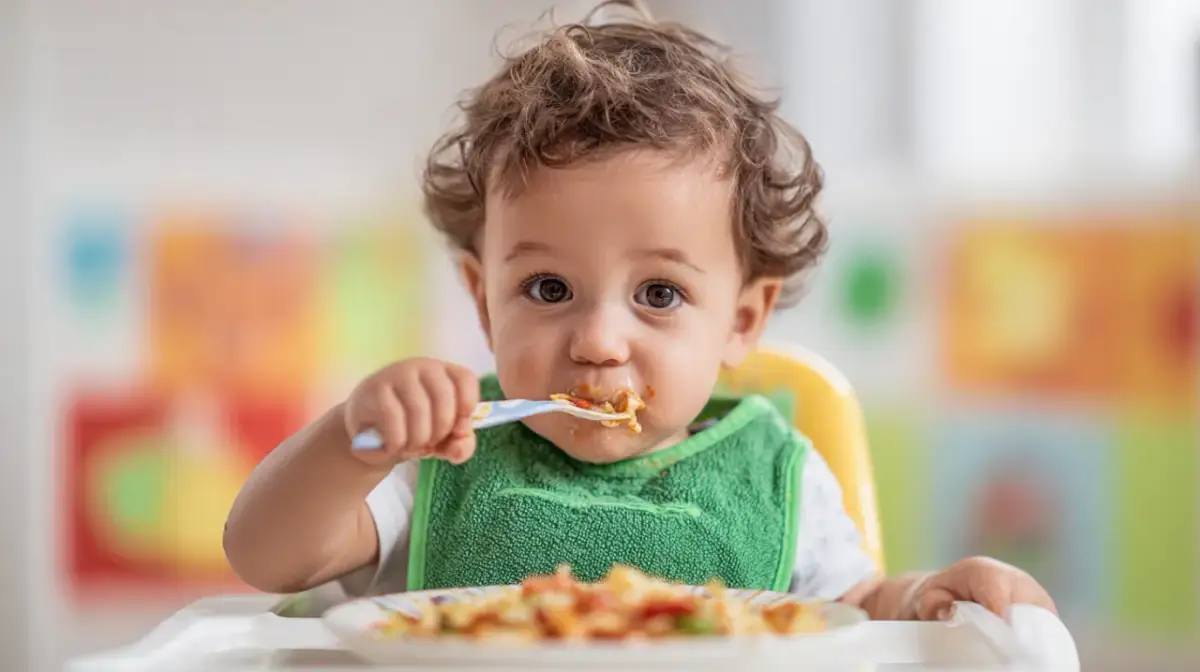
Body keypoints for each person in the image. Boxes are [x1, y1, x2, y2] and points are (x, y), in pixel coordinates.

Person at [223, 0, 1055, 622]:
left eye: (659, 294)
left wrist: (927, 601)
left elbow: (853, 608)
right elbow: (266, 557)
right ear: (483, 301)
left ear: (742, 320)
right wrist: (355, 440)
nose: (596, 340)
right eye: (548, 289)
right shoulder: (441, 453)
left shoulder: (777, 476)